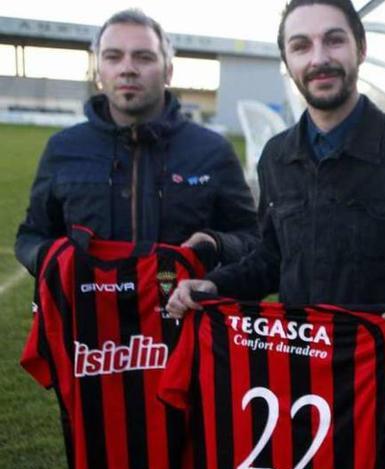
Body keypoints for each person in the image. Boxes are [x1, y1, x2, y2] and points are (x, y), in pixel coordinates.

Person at [167, 0, 385, 312]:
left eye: (334, 40)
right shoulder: (276, 158)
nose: (319, 58)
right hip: (300, 358)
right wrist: (218, 284)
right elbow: (272, 260)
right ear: (287, 62)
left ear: (361, 48)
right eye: (301, 46)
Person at [15, 9, 259, 276]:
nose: (128, 69)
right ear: (99, 71)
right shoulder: (63, 148)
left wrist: (218, 244)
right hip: (89, 316)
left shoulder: (213, 151)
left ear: (168, 71)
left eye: (143, 57)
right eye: (113, 56)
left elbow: (253, 239)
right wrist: (52, 259)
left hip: (182, 315)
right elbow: (31, 236)